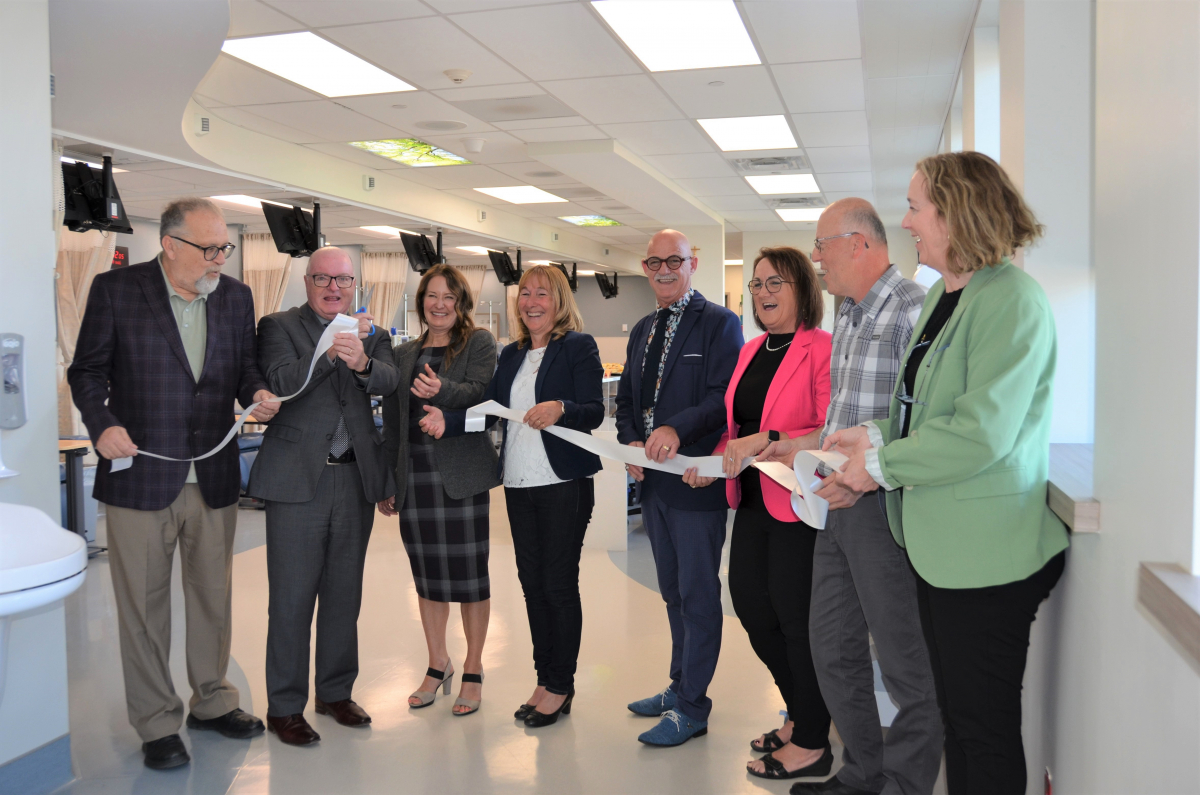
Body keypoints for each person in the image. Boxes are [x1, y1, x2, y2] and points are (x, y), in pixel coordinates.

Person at [812, 152, 1069, 795]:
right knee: (958, 722)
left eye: (916, 206)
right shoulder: (947, 299)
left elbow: (981, 431)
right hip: (937, 548)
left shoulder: (1012, 300)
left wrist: (876, 464)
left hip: (986, 557)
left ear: (956, 213)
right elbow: (922, 413)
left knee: (981, 731)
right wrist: (870, 435)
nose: (907, 221)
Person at [68, 198, 280, 770]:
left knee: (213, 599)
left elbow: (245, 371)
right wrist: (103, 424)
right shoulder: (119, 292)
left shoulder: (235, 298)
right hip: (140, 476)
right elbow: (85, 371)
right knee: (144, 607)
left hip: (211, 476)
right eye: (208, 249)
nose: (218, 259)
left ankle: (212, 702)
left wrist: (257, 394)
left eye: (224, 249)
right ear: (170, 245)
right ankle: (157, 721)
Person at [765, 199, 942, 795]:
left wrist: (861, 469)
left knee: (902, 661)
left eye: (822, 244)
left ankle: (907, 784)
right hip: (830, 502)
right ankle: (862, 774)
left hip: (879, 507)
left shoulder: (914, 311)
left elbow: (922, 426)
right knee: (832, 648)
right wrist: (798, 447)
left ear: (860, 243)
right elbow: (844, 414)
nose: (816, 258)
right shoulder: (849, 311)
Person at [421, 265, 604, 728]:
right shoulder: (513, 353)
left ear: (559, 300)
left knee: (558, 586)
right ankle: (545, 679)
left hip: (563, 485)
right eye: (525, 293)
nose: (531, 301)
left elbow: (595, 411)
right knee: (532, 585)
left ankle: (561, 685)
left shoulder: (578, 346)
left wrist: (562, 408)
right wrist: (451, 422)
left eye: (542, 293)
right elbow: (492, 412)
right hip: (521, 485)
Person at [683, 247, 834, 780]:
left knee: (795, 621)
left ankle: (814, 739)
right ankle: (803, 713)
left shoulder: (821, 349)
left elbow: (826, 430)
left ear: (801, 290)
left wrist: (768, 440)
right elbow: (736, 430)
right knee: (751, 607)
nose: (763, 293)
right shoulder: (749, 351)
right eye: (757, 285)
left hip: (795, 503)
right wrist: (715, 461)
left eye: (776, 283)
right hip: (749, 499)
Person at [247, 247, 399, 746]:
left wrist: (361, 365)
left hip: (353, 480)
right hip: (297, 482)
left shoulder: (369, 330)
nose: (334, 288)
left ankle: (335, 693)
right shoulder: (278, 325)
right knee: (291, 599)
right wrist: (330, 353)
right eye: (322, 279)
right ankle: (284, 706)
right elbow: (281, 382)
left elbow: (390, 379)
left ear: (354, 283)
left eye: (343, 280)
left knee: (343, 595)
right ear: (307, 281)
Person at [615, 229, 743, 747]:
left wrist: (677, 429)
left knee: (696, 595)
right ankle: (678, 685)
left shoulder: (719, 323)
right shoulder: (643, 328)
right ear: (645, 268)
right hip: (654, 487)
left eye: (674, 261)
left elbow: (722, 397)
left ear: (693, 262)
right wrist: (630, 444)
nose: (663, 270)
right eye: (653, 263)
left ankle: (693, 706)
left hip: (695, 481)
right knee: (672, 593)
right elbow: (627, 399)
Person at [378, 264, 499, 716]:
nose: (439, 304)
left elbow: (483, 395)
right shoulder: (404, 352)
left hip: (462, 476)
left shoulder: (479, 343)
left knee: (470, 578)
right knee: (427, 577)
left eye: (449, 296)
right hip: (416, 477)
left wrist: (441, 389)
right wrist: (388, 478)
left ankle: (472, 667)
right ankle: (437, 663)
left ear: (461, 302)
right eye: (431, 295)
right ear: (421, 300)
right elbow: (394, 422)